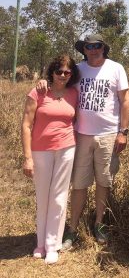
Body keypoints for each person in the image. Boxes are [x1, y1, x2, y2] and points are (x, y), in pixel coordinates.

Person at [39, 34, 129, 249]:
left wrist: (123, 131)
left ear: (103, 48)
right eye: (89, 46)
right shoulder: (78, 70)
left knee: (103, 181)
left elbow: (125, 100)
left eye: (97, 45)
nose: (93, 49)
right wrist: (43, 81)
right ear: (84, 49)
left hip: (108, 134)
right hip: (80, 134)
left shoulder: (116, 68)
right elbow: (59, 82)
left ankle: (99, 223)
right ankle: (72, 228)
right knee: (79, 183)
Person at [21, 55, 80, 264]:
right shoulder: (39, 91)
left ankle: (53, 244)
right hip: (40, 150)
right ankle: (40, 243)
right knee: (43, 196)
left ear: (72, 75)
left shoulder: (74, 93)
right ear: (52, 72)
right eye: (59, 71)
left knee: (59, 196)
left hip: (66, 148)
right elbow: (26, 125)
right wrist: (27, 157)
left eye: (67, 72)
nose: (63, 75)